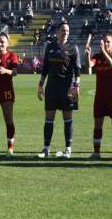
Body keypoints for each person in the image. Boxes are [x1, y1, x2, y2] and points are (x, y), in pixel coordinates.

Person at [37, 23, 81, 158]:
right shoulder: (50, 47)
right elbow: (45, 69)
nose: (65, 32)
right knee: (49, 118)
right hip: (51, 87)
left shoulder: (73, 48)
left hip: (67, 88)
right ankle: (46, 149)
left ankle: (68, 149)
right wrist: (40, 85)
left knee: (67, 118)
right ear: (57, 32)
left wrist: (76, 87)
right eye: (63, 30)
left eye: (67, 30)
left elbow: (77, 71)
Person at [85, 33, 112, 160]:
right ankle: (96, 153)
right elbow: (89, 66)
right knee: (97, 124)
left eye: (108, 42)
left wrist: (103, 50)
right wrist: (87, 55)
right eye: (104, 41)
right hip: (100, 97)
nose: (106, 43)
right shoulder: (97, 57)